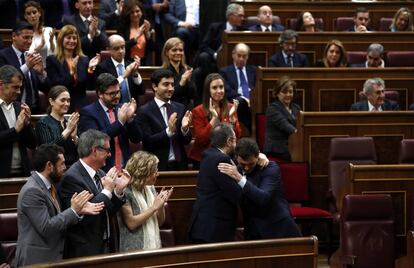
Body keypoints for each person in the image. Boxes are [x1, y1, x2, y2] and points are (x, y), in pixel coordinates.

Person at [15, 144, 104, 266]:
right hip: (36, 261)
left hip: (52, 257)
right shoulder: (32, 191)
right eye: (62, 163)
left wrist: (78, 211)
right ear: (49, 166)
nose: (65, 167)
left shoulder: (50, 186)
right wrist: (73, 210)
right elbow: (47, 228)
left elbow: (59, 218)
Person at [59, 129, 131, 258]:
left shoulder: (101, 173)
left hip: (107, 244)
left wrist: (118, 191)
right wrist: (107, 191)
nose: (110, 155)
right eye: (107, 150)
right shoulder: (72, 178)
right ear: (94, 151)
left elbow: (108, 211)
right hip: (85, 250)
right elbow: (87, 215)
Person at [218, 138, 301, 240]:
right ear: (237, 157)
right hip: (253, 232)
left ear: (257, 156)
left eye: (251, 164)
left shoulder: (270, 168)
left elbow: (263, 198)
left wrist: (239, 178)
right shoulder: (236, 170)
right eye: (243, 164)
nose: (247, 168)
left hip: (277, 229)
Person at [189, 123, 242, 243]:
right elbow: (235, 193)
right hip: (215, 229)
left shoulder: (208, 154)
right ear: (229, 141)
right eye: (235, 140)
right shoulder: (221, 159)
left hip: (203, 225)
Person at [79, 73, 141, 172]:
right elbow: (95, 141)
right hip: (102, 170)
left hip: (124, 169)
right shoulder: (88, 113)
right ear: (100, 94)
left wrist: (130, 119)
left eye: (118, 92)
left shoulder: (122, 108)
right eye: (112, 93)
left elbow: (136, 139)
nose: (117, 96)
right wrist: (120, 122)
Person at [136, 68, 192, 171]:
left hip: (180, 166)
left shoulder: (180, 108)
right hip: (156, 167)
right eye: (166, 84)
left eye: (172, 84)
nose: (170, 88)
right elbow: (147, 142)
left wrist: (184, 129)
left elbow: (187, 140)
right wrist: (168, 132)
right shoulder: (144, 111)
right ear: (155, 86)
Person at [118, 150, 173, 251]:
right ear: (143, 172)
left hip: (154, 247)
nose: (157, 174)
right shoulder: (125, 191)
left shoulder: (150, 188)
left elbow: (160, 222)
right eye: (154, 171)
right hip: (133, 249)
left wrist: (160, 205)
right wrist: (154, 208)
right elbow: (131, 223)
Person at [188, 73, 241, 167]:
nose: (219, 91)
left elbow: (236, 137)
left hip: (226, 156)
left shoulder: (230, 108)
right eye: (214, 88)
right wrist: (213, 119)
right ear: (208, 90)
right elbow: (200, 140)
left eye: (221, 87)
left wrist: (233, 121)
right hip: (204, 158)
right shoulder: (198, 111)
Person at [46, 25, 100, 112]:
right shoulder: (52, 60)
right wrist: (72, 72)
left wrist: (90, 70)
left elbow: (89, 86)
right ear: (61, 39)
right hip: (61, 105)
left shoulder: (83, 59)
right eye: (68, 38)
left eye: (74, 38)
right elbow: (56, 85)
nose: (72, 41)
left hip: (81, 104)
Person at [0, 21, 46, 114]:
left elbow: (46, 88)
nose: (29, 41)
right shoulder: (3, 55)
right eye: (25, 37)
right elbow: (6, 81)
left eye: (31, 38)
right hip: (13, 110)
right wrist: (27, 66)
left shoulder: (30, 56)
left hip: (35, 110)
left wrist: (41, 73)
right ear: (14, 36)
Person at [0, 65, 36, 178]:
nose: (19, 92)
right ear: (1, 84)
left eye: (20, 87)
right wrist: (15, 130)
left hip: (23, 172)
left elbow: (32, 144)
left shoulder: (20, 107)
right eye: (15, 87)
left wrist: (27, 124)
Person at [36, 85, 79, 167]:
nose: (66, 104)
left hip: (73, 167)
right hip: (54, 168)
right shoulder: (43, 123)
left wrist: (75, 138)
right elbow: (48, 151)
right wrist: (67, 131)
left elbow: (82, 152)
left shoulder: (70, 123)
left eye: (68, 101)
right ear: (51, 101)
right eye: (63, 100)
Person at [94, 34, 145, 104]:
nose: (120, 51)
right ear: (108, 49)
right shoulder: (102, 67)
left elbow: (141, 91)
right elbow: (105, 91)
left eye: (122, 47)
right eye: (116, 48)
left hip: (133, 107)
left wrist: (135, 74)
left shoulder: (130, 64)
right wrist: (124, 76)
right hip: (113, 109)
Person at [219, 43, 256, 133]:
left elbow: (257, 87)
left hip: (253, 101)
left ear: (248, 57)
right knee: (241, 102)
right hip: (236, 101)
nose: (241, 59)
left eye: (244, 56)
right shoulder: (225, 71)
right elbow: (226, 90)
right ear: (233, 55)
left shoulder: (254, 70)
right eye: (239, 56)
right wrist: (244, 98)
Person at [263, 76, 300, 162]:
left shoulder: (296, 108)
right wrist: (302, 135)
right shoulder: (272, 109)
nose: (288, 95)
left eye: (290, 92)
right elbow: (286, 126)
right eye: (284, 92)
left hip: (293, 144)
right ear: (277, 93)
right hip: (277, 148)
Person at [161, 37, 196, 110]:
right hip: (170, 109)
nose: (178, 53)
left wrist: (188, 81)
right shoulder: (162, 72)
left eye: (180, 50)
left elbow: (194, 94)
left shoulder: (187, 69)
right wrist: (182, 82)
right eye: (174, 50)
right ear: (167, 53)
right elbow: (167, 96)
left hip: (187, 109)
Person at [117, 0, 152, 65]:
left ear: (141, 12)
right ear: (128, 13)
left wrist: (147, 34)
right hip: (127, 63)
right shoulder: (122, 27)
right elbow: (121, 47)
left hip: (144, 63)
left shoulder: (145, 25)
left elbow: (153, 48)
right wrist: (136, 37)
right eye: (132, 12)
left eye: (137, 11)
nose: (135, 14)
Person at [23, 1, 56, 69]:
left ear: (39, 13)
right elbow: (24, 56)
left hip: (47, 69)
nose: (32, 16)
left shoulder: (48, 30)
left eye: (34, 12)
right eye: (29, 14)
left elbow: (55, 54)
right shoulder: (24, 34)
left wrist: (51, 41)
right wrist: (40, 46)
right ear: (25, 16)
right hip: (31, 71)